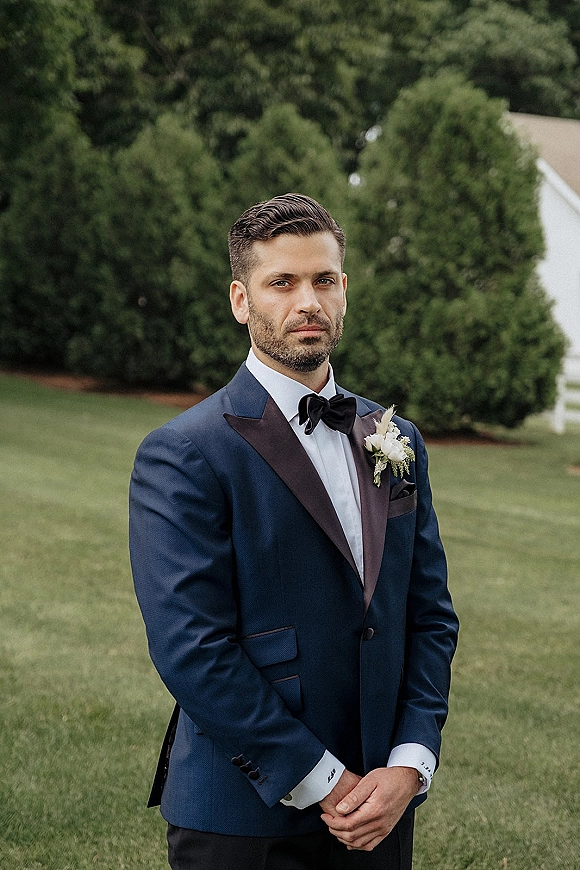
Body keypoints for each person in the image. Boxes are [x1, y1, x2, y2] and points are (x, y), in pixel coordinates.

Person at [129, 193, 459, 870]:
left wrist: (410, 763)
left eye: (324, 279)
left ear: (344, 289)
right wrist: (324, 782)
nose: (307, 300)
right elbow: (192, 649)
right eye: (282, 282)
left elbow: (428, 616)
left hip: (381, 805)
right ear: (241, 300)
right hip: (246, 816)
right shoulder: (186, 453)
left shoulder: (395, 439)